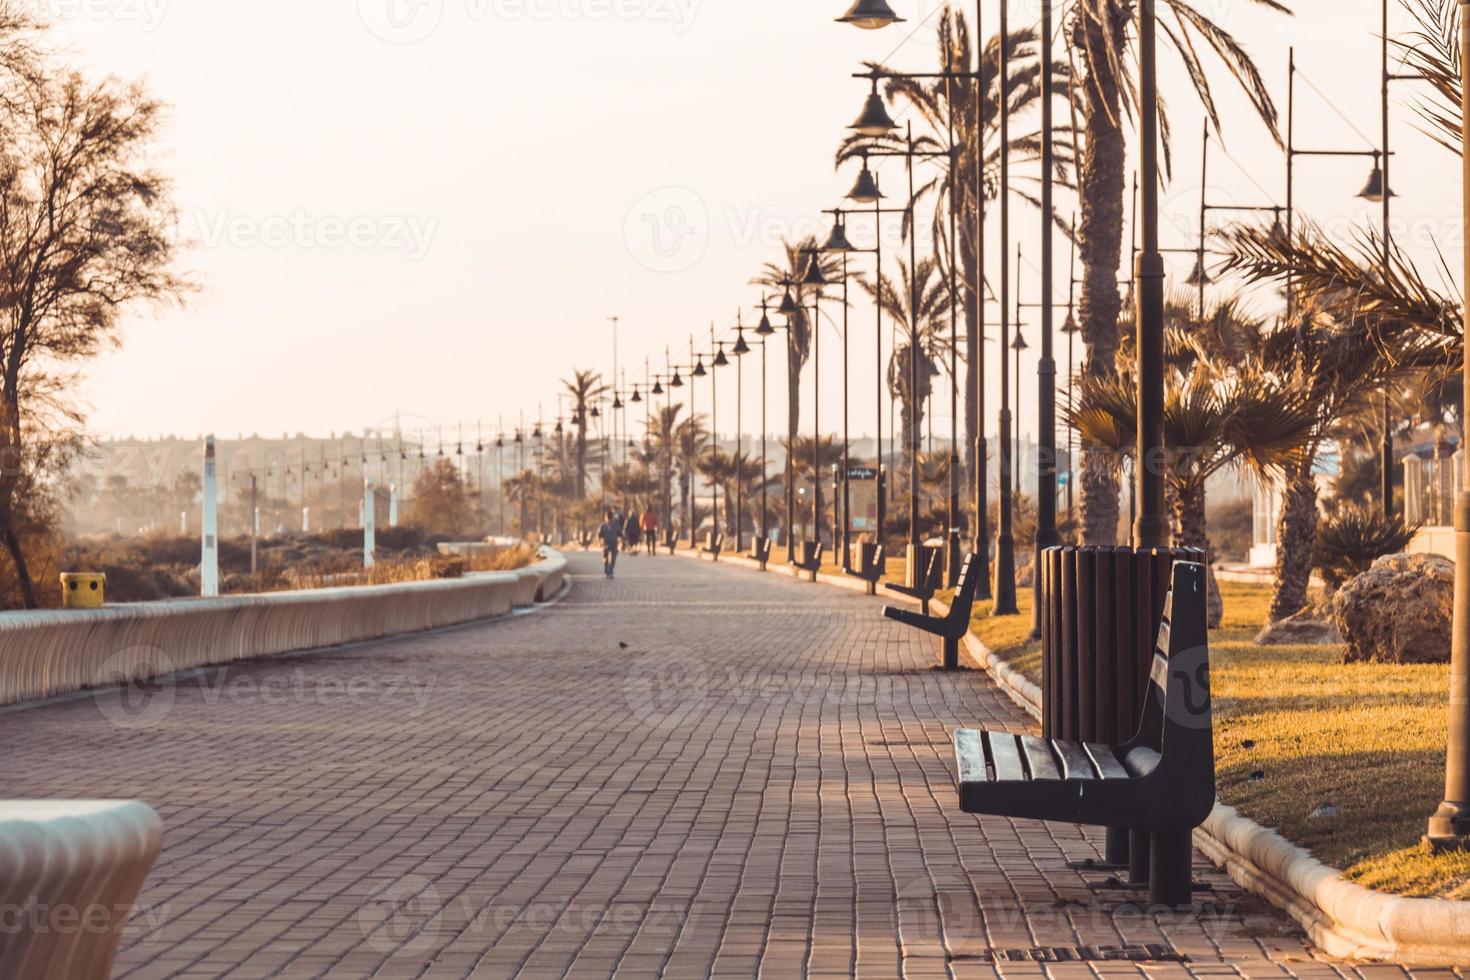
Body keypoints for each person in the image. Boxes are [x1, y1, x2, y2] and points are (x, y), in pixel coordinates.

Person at [597, 510, 621, 579]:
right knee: (609, 559)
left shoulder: (605, 525)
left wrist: (600, 541)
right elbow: (620, 533)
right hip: (609, 544)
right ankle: (608, 570)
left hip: (609, 544)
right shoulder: (605, 525)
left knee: (609, 558)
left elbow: (599, 535)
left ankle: (609, 570)